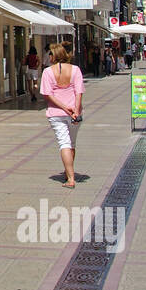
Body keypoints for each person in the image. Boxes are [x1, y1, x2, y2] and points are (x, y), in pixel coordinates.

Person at [40, 41, 84, 189]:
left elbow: (48, 95)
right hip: (74, 113)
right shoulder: (76, 70)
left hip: (56, 113)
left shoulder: (47, 72)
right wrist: (75, 111)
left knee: (64, 143)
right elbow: (79, 92)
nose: (49, 57)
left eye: (50, 54)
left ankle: (70, 178)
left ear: (54, 55)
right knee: (72, 144)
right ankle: (68, 173)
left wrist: (64, 108)